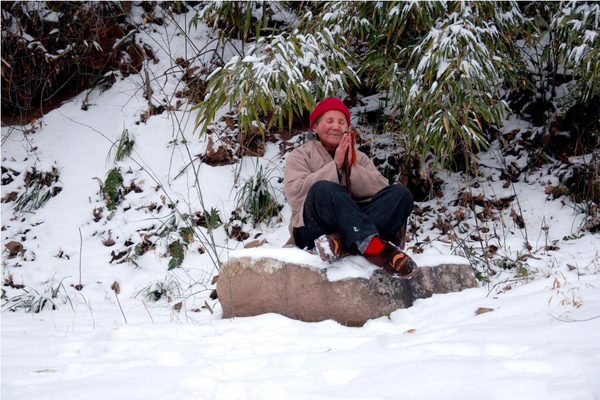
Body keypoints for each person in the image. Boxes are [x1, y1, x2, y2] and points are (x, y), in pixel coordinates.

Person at [283, 97, 418, 279]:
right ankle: (377, 249)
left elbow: (380, 190)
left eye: (341, 122)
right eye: (329, 121)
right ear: (315, 127)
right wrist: (335, 166)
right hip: (313, 230)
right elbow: (296, 194)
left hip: (351, 226)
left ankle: (340, 242)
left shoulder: (358, 157)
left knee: (401, 194)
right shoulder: (300, 155)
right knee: (322, 189)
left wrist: (350, 167)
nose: (336, 126)